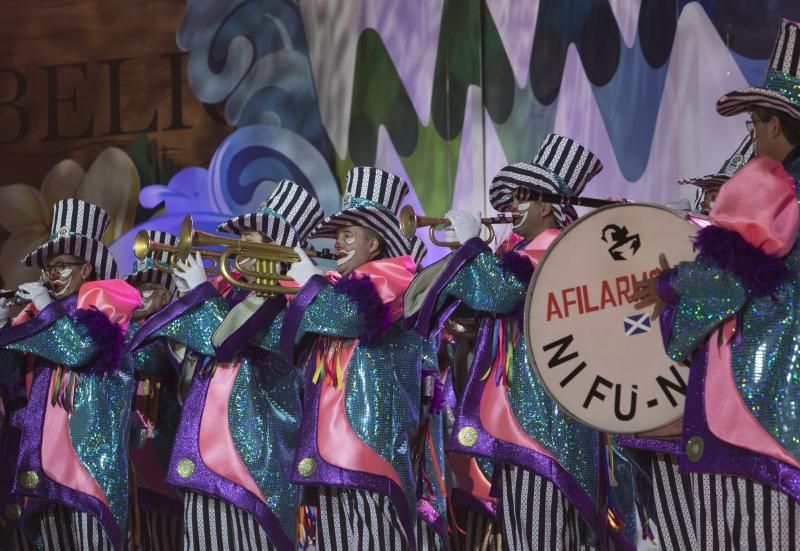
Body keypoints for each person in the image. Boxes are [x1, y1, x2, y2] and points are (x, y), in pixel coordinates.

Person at [409, 134, 635, 550]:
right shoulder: (529, 251)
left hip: (544, 431)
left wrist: (473, 246)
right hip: (525, 426)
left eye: (524, 196)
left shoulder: (554, 249)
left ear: (548, 205)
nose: (512, 205)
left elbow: (500, 292)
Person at [633, 18, 800, 549]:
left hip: (761, 400)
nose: (752, 138)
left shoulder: (770, 185)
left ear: (775, 126)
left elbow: (728, 277)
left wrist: (666, 289)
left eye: (754, 124)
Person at [130, 180, 324, 550]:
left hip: (251, 470)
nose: (242, 241)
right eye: (245, 233)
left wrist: (199, 294)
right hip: (204, 460)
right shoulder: (234, 294)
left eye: (255, 235)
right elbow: (173, 343)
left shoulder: (283, 302)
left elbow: (224, 342)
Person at [278, 166, 436, 549]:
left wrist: (308, 279)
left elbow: (348, 316)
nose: (338, 245)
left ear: (374, 245)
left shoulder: (396, 276)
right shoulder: (336, 287)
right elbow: (290, 338)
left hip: (371, 453)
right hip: (330, 455)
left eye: (348, 235)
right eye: (337, 236)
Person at [0, 198, 140, 551]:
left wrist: (45, 310)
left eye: (63, 266)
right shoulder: (37, 318)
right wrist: (3, 326)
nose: (53, 276)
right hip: (43, 466)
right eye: (49, 268)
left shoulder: (110, 301)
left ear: (86, 269)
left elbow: (78, 349)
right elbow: (10, 380)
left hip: (89, 465)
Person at [123, 231, 184, 550]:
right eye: (137, 287)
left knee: (167, 533)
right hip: (133, 451)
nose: (140, 295)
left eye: (150, 288)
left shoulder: (172, 328)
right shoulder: (128, 327)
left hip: (165, 447)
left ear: (168, 295)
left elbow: (148, 359)